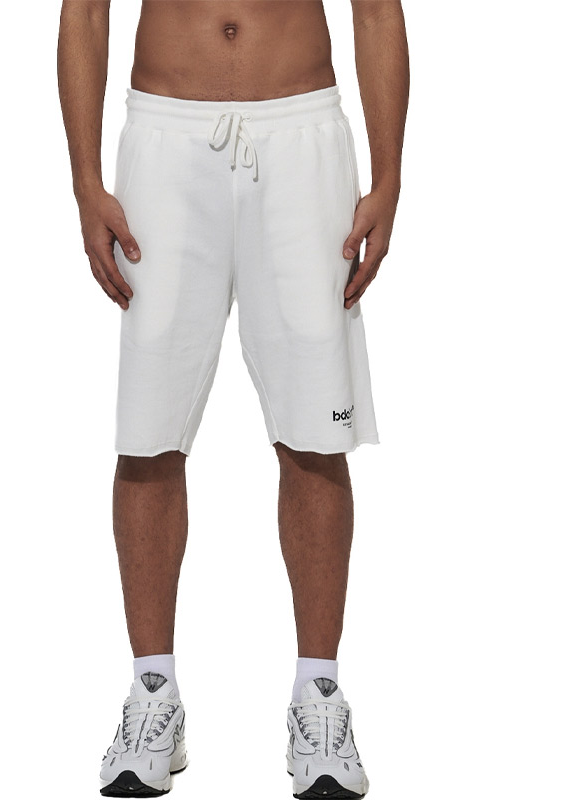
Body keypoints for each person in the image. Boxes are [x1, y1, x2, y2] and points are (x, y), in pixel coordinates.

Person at [57, 2, 408, 796]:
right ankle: (153, 694)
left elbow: (377, 10)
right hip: (165, 135)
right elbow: (85, 10)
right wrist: (84, 180)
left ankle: (320, 700)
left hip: (301, 131)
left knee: (316, 431)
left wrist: (389, 176)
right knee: (148, 432)